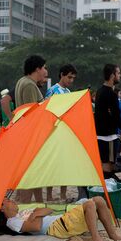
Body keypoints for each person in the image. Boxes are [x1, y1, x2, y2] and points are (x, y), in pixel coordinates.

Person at [0, 198, 121, 241]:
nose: (13, 201)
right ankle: (96, 239)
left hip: (62, 220)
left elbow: (48, 210)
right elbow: (36, 227)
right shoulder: (12, 222)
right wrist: (37, 212)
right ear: (2, 208)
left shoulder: (22, 213)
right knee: (90, 204)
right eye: (8, 201)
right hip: (58, 227)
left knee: (99, 200)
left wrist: (37, 213)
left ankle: (112, 234)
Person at [15, 55, 49, 203]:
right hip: (30, 136)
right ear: (37, 68)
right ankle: (25, 206)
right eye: (44, 68)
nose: (45, 71)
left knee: (34, 174)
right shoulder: (29, 85)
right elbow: (32, 114)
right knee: (29, 175)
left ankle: (39, 203)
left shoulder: (22, 81)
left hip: (25, 135)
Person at [44, 64, 77, 201]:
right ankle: (50, 195)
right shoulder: (52, 90)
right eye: (69, 77)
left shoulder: (68, 91)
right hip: (54, 131)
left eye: (73, 78)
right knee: (52, 165)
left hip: (66, 131)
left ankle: (63, 195)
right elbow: (46, 111)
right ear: (62, 74)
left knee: (64, 164)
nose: (71, 80)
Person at [95, 64, 121, 179]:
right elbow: (116, 116)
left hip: (100, 136)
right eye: (118, 73)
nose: (120, 75)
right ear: (112, 75)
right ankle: (108, 193)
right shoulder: (110, 94)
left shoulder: (99, 91)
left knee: (106, 167)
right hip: (108, 137)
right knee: (108, 168)